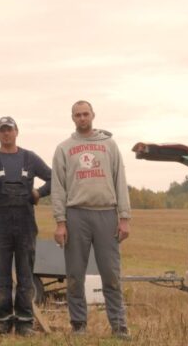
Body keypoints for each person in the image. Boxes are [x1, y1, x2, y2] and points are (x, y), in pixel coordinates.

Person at [51, 100, 132, 339]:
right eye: (78, 115)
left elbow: (120, 179)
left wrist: (124, 217)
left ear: (93, 115)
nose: (82, 118)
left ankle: (119, 326)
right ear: (72, 118)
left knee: (111, 273)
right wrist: (60, 221)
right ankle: (78, 325)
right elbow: (58, 187)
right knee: (75, 273)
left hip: (106, 212)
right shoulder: (64, 148)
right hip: (77, 214)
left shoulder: (109, 145)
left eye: (86, 114)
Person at [0, 116, 52, 336]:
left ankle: (24, 321)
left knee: (25, 275)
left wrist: (39, 192)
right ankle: (4, 318)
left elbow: (54, 178)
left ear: (17, 131)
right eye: (2, 130)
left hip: (25, 225)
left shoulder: (29, 158)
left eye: (9, 129)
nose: (6, 133)